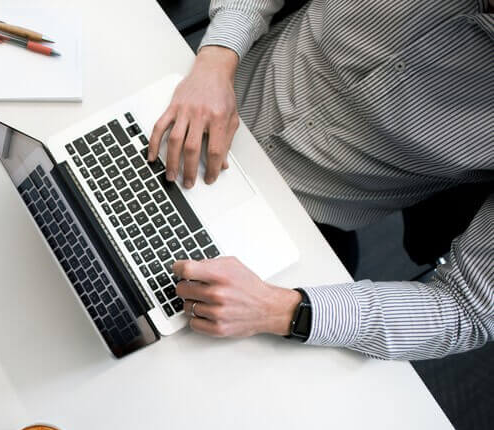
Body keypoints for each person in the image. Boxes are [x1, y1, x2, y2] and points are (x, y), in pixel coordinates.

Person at [149, 0, 493, 360]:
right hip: (195, 90)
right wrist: (217, 61)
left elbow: (466, 309)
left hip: (292, 223)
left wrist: (281, 310)